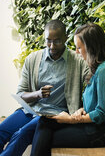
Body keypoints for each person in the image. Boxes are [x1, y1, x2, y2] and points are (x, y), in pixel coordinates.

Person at [30, 23, 105, 156]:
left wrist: (71, 120)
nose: (77, 52)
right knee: (45, 122)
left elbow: (103, 113)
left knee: (44, 138)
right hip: (92, 126)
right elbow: (97, 103)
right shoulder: (96, 70)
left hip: (104, 132)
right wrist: (82, 110)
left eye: (79, 47)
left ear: (91, 47)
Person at [0, 19, 89, 156]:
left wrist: (82, 108)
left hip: (52, 116)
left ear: (65, 38)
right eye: (48, 40)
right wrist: (38, 94)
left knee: (21, 134)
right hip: (30, 111)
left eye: (57, 41)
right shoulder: (33, 59)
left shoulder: (77, 61)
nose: (52, 46)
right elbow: (21, 94)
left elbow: (92, 85)